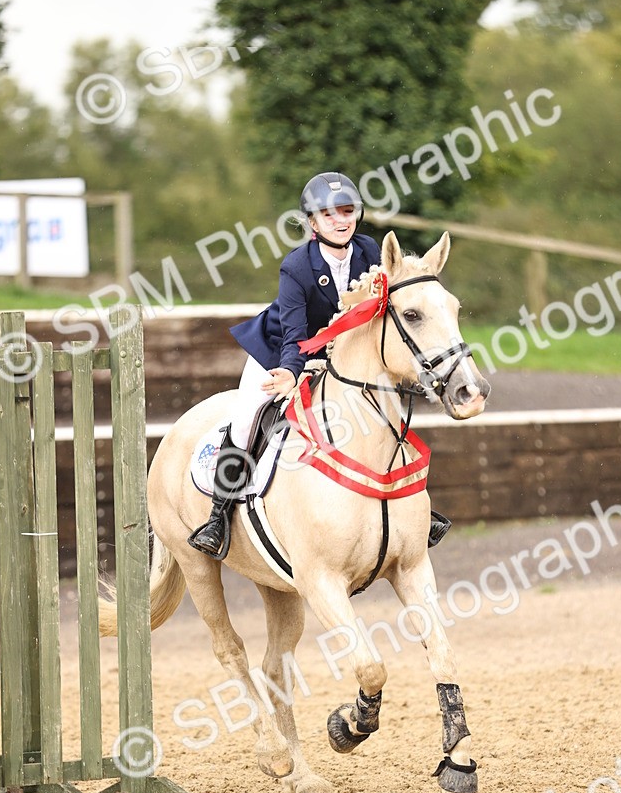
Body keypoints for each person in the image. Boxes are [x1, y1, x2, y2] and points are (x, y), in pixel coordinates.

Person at [188, 170, 451, 560]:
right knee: (247, 416)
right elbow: (294, 333)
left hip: (342, 355)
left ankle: (410, 509)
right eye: (329, 214)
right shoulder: (296, 267)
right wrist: (293, 372)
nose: (340, 220)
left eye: (347, 211)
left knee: (386, 410)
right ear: (312, 222)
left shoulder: (370, 252)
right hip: (281, 352)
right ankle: (219, 515)